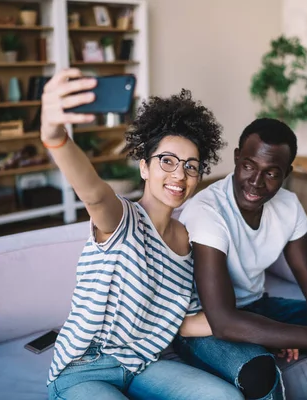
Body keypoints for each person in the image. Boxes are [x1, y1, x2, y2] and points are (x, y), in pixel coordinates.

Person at [40, 69, 243, 400]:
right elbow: (92, 192)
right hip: (82, 369)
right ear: (144, 167)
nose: (180, 174)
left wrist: (271, 333)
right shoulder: (122, 218)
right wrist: (54, 135)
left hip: (143, 365)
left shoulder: (189, 243)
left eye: (191, 166)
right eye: (167, 161)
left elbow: (185, 323)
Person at [174, 118, 307, 400]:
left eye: (272, 173)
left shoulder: (289, 206)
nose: (256, 182)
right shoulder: (208, 211)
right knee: (259, 373)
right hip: (205, 324)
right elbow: (224, 321)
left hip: (257, 307)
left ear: (287, 172)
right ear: (237, 158)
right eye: (249, 166)